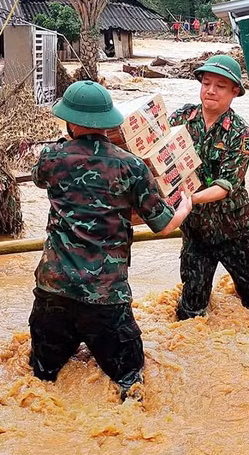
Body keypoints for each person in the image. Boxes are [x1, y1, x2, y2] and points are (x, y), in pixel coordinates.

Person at [29, 80, 192, 402]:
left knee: (42, 378)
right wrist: (184, 208)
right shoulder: (131, 166)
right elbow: (163, 225)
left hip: (53, 292)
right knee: (131, 382)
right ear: (108, 122)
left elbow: (39, 180)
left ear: (70, 122)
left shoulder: (51, 157)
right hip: (106, 298)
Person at [168, 55, 249, 320]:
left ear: (234, 91)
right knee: (190, 313)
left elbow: (226, 185)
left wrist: (190, 199)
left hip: (234, 231)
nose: (211, 91)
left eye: (220, 86)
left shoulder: (240, 133)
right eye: (206, 83)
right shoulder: (181, 119)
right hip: (195, 232)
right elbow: (156, 153)